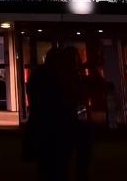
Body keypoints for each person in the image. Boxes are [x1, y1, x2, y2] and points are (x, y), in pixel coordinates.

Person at [26, 46, 84, 181]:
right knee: (60, 164)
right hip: (61, 127)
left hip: (43, 126)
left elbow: (33, 94)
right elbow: (76, 97)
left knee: (45, 165)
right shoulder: (65, 76)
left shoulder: (39, 75)